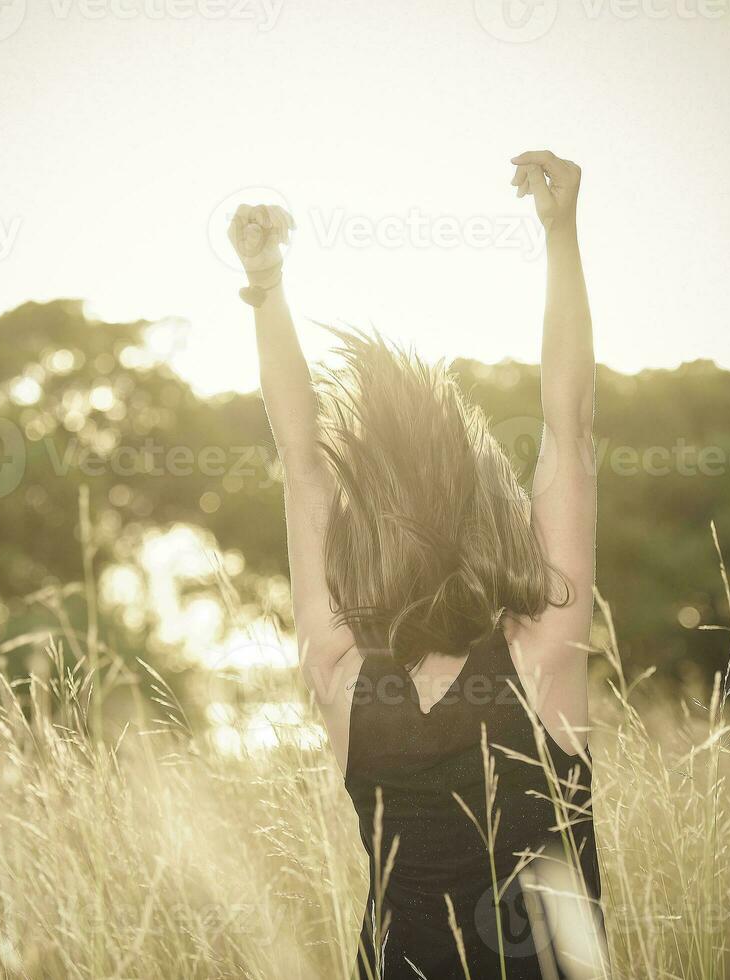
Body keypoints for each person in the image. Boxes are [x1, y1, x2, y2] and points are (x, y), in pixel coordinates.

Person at [228, 150, 604, 980]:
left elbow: (302, 464)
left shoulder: (344, 682)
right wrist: (560, 235)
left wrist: (266, 288)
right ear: (488, 524)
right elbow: (568, 430)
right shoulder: (538, 662)